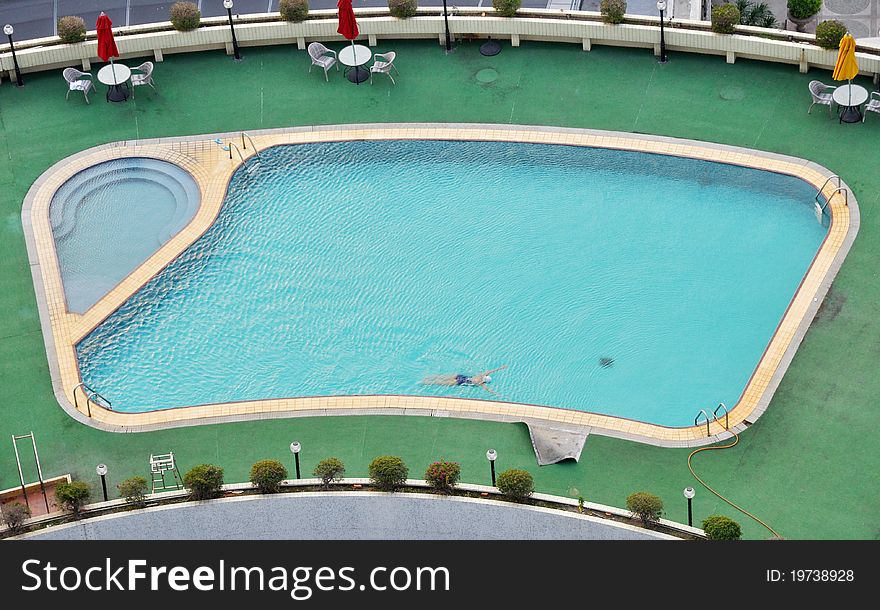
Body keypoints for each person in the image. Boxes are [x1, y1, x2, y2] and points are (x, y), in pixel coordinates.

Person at [422, 365, 507, 395]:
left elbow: (491, 371)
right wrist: (495, 393)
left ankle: (428, 377)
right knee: (441, 383)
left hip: (460, 376)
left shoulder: (482, 375)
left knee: (442, 377)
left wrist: (501, 368)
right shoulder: (481, 383)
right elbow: (488, 390)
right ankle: (426, 382)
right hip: (461, 382)